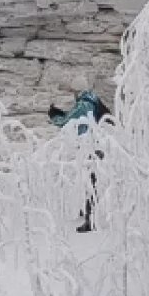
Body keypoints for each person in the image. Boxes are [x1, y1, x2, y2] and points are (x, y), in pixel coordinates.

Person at [49, 86, 111, 232]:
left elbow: (68, 120)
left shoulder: (85, 103)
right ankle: (87, 212)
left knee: (91, 180)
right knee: (90, 179)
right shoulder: (94, 102)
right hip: (97, 144)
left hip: (92, 145)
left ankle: (91, 220)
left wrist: (54, 115)